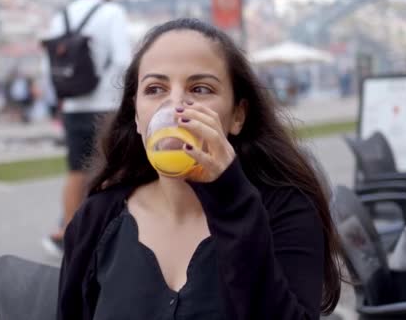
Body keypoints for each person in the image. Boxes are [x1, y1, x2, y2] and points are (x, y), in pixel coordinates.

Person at [57, 19, 342, 319]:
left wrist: (230, 198)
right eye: (155, 89)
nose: (176, 105)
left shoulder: (285, 210)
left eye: (201, 88)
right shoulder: (97, 218)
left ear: (237, 116)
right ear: (137, 117)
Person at [42, 0, 131, 254]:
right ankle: (111, 233)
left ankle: (72, 238)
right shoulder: (112, 13)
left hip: (72, 106)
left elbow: (50, 65)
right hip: (105, 105)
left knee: (76, 172)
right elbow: (123, 59)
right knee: (112, 170)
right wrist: (108, 86)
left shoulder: (62, 16)